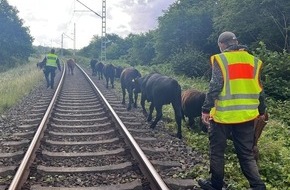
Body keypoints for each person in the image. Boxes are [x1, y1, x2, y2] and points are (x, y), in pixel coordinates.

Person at [198, 31, 267, 190]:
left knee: (217, 152)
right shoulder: (253, 61)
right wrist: (262, 110)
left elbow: (215, 86)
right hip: (246, 117)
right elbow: (260, 89)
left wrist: (206, 109)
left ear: (222, 44)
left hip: (223, 116)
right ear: (236, 42)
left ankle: (216, 186)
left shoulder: (221, 59)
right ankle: (258, 187)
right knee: (246, 154)